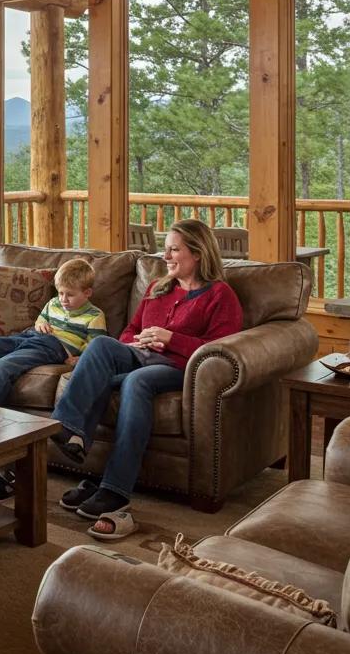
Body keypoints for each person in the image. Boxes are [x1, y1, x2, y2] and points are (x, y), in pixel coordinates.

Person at [51, 219, 242, 539]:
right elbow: (130, 330)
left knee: (134, 382)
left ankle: (115, 489)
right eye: (164, 248)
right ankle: (68, 428)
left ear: (197, 253)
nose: (165, 255)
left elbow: (220, 350)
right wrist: (135, 342)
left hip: (178, 367)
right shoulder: (157, 288)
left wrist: (170, 339)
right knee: (100, 346)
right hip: (141, 355)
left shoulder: (220, 296)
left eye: (173, 249)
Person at [0, 257, 108, 501]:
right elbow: (42, 320)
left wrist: (79, 359)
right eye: (60, 293)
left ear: (87, 292)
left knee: (0, 368)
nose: (63, 299)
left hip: (53, 347)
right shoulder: (53, 304)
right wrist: (40, 324)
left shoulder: (94, 316)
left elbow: (97, 347)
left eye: (69, 295)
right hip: (28, 336)